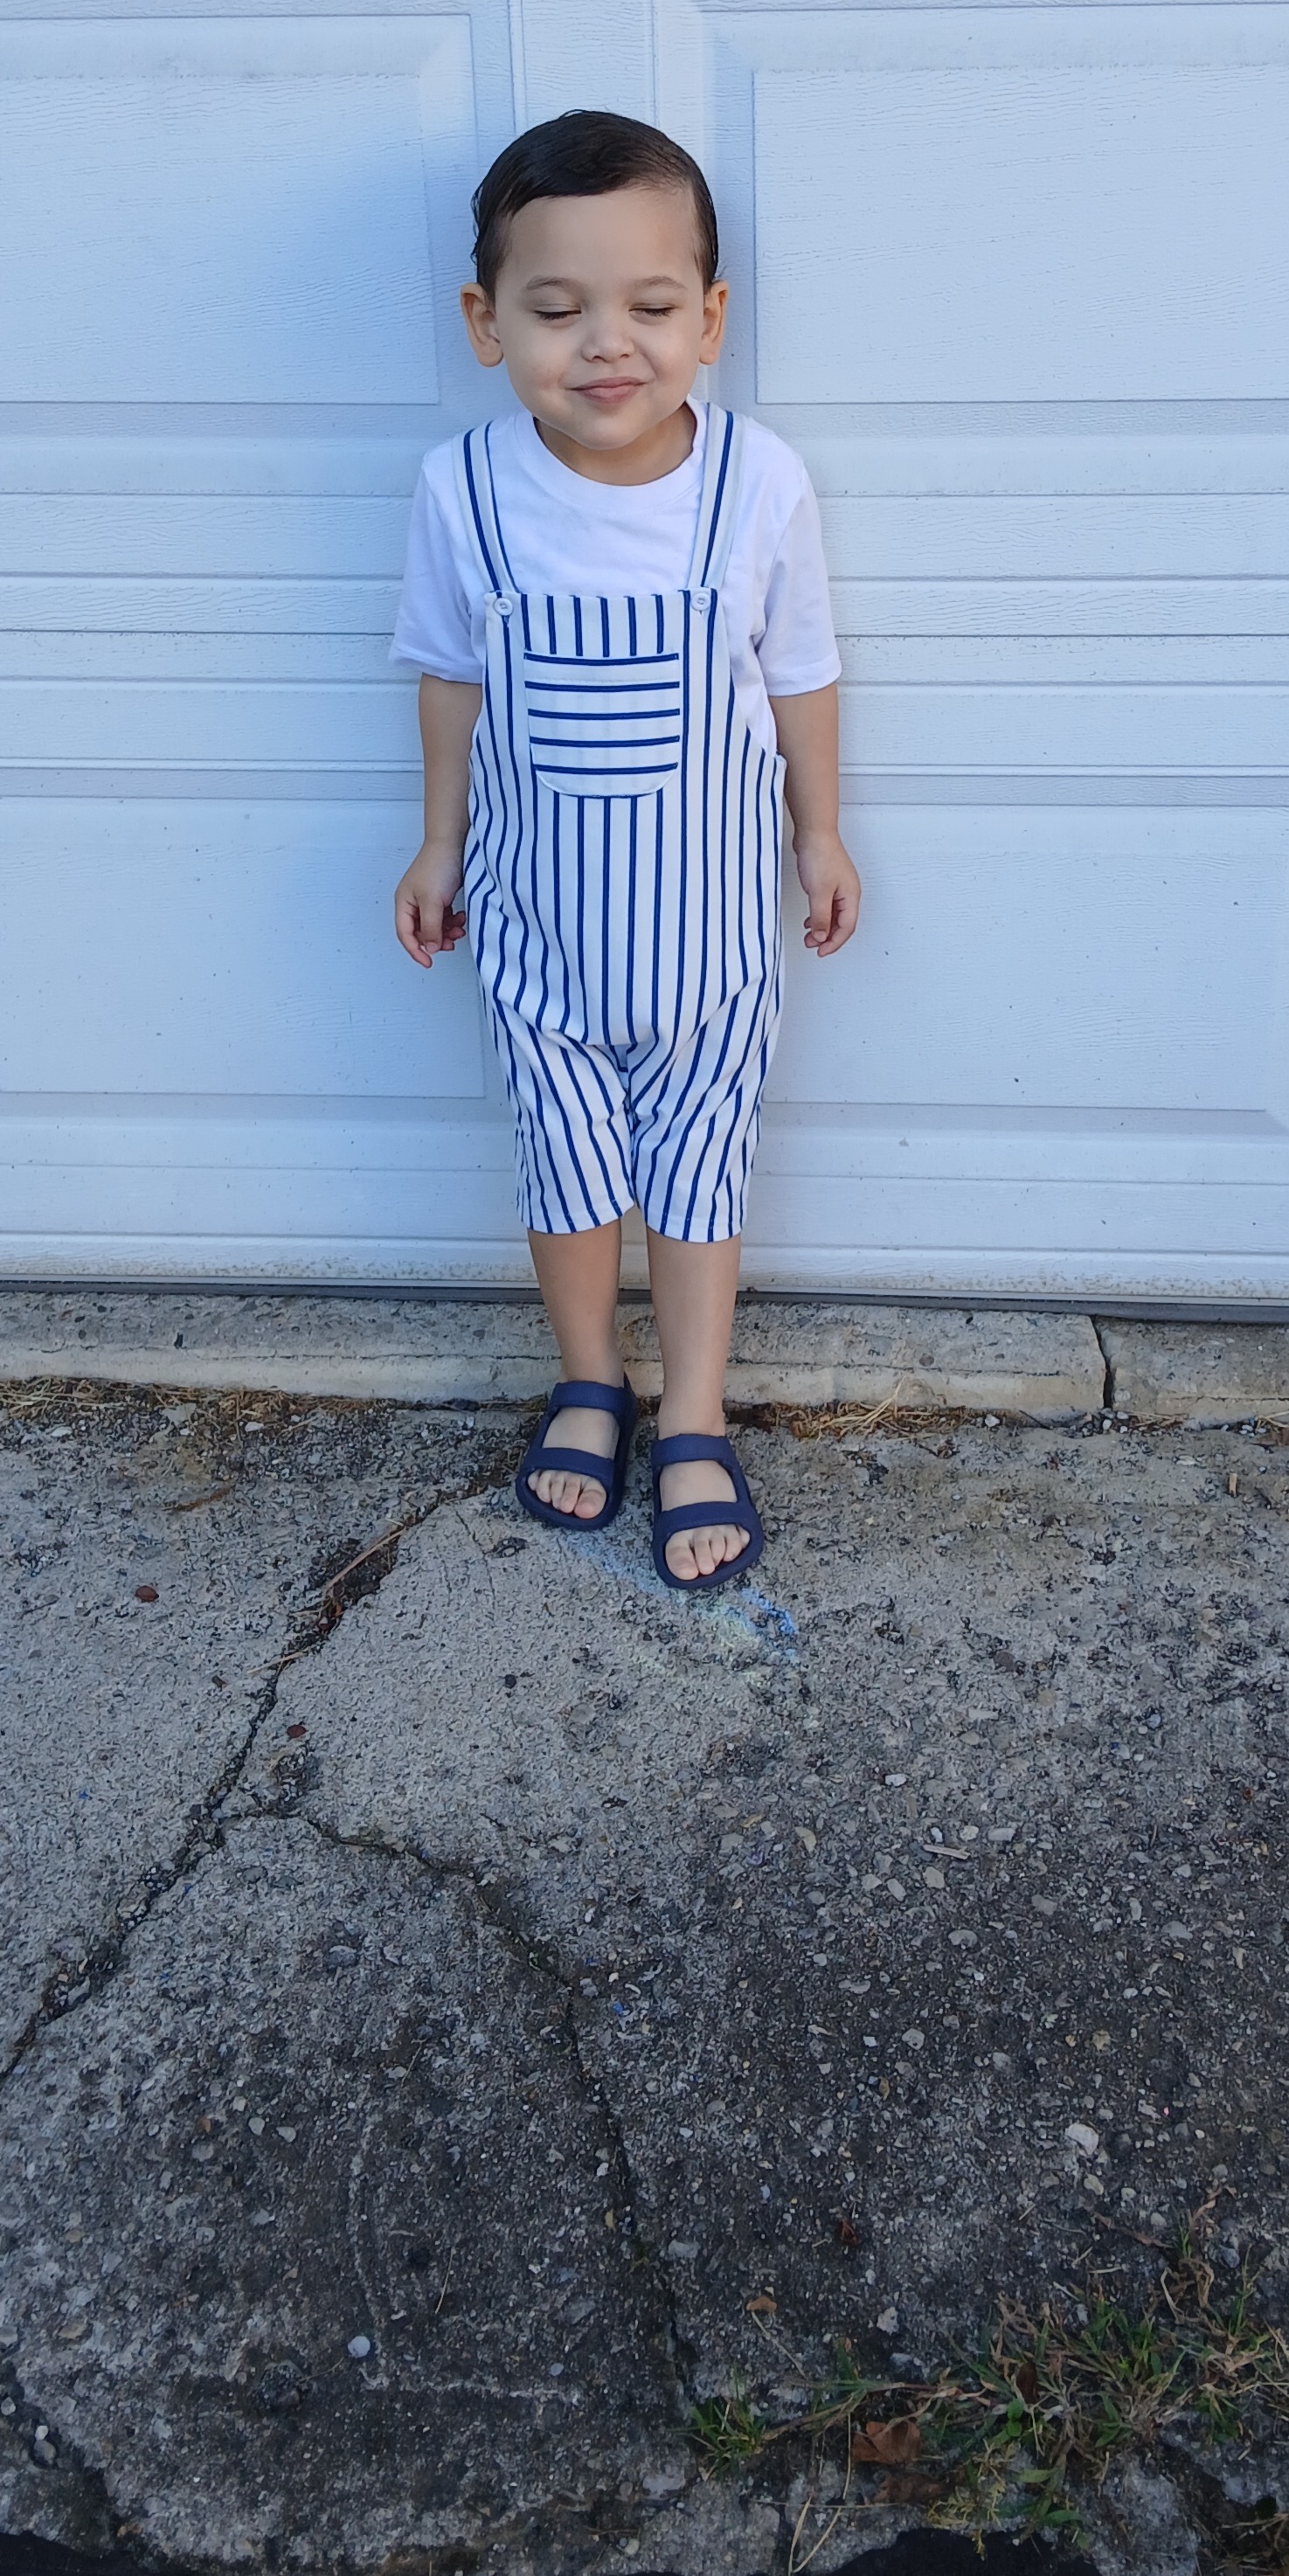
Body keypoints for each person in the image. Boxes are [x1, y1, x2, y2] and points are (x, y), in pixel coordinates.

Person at [392, 109, 860, 1589]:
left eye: (651, 306)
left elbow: (801, 673)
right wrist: (437, 843)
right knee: (567, 1175)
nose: (607, 342)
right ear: (487, 323)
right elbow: (450, 678)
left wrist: (821, 830)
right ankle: (590, 1378)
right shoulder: (467, 491)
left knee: (702, 1179)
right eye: (556, 308)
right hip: (538, 935)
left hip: (710, 942)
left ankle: (697, 1412)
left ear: (709, 320)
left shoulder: (756, 484)